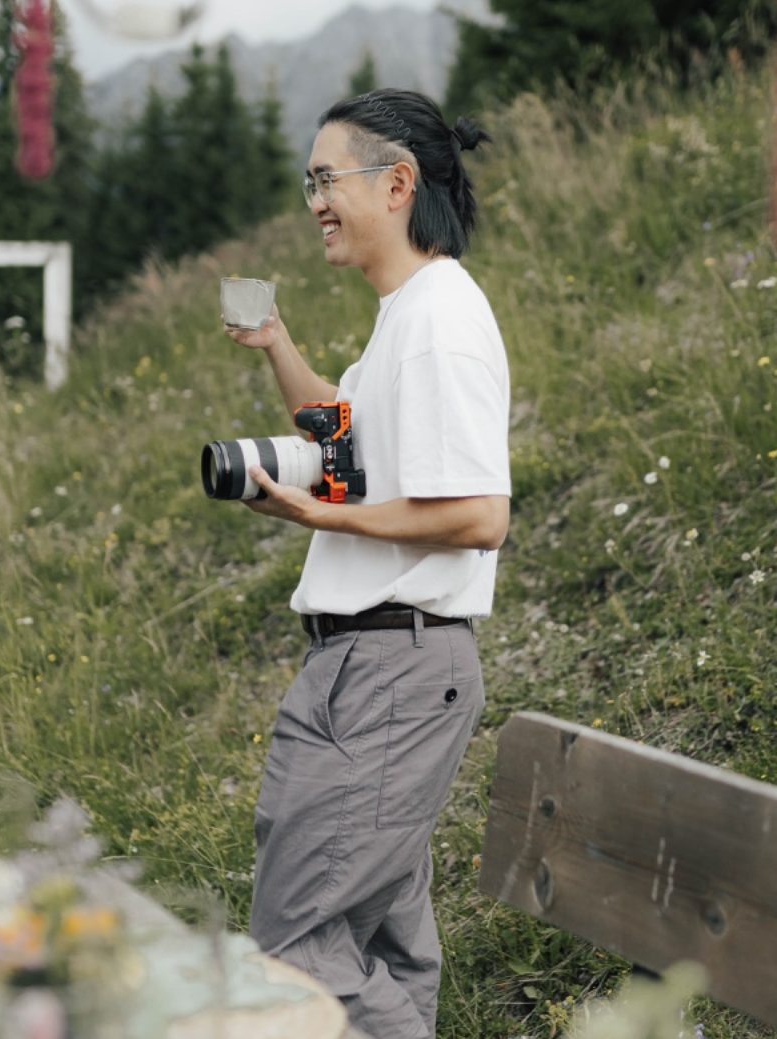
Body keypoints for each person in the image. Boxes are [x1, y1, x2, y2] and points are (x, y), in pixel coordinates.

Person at [225, 88, 511, 1039]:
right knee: (382, 947)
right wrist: (277, 344)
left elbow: (478, 513)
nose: (314, 202)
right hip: (370, 661)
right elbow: (341, 430)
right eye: (307, 182)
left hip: (391, 667)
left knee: (298, 950)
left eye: (326, 180)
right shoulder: (407, 315)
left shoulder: (440, 321)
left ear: (396, 185)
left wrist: (321, 514)